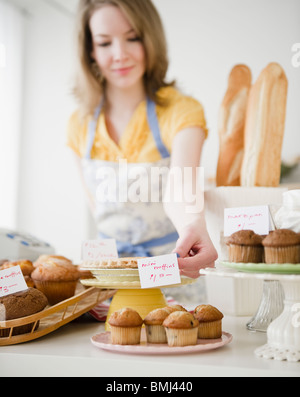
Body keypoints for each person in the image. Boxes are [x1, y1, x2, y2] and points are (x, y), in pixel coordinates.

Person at [67, 0, 218, 281]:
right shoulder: (79, 124)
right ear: (89, 50)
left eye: (132, 38)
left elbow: (182, 187)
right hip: (110, 279)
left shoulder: (180, 111)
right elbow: (98, 210)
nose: (120, 54)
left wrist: (192, 225)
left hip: (172, 274)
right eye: (104, 43)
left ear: (150, 39)